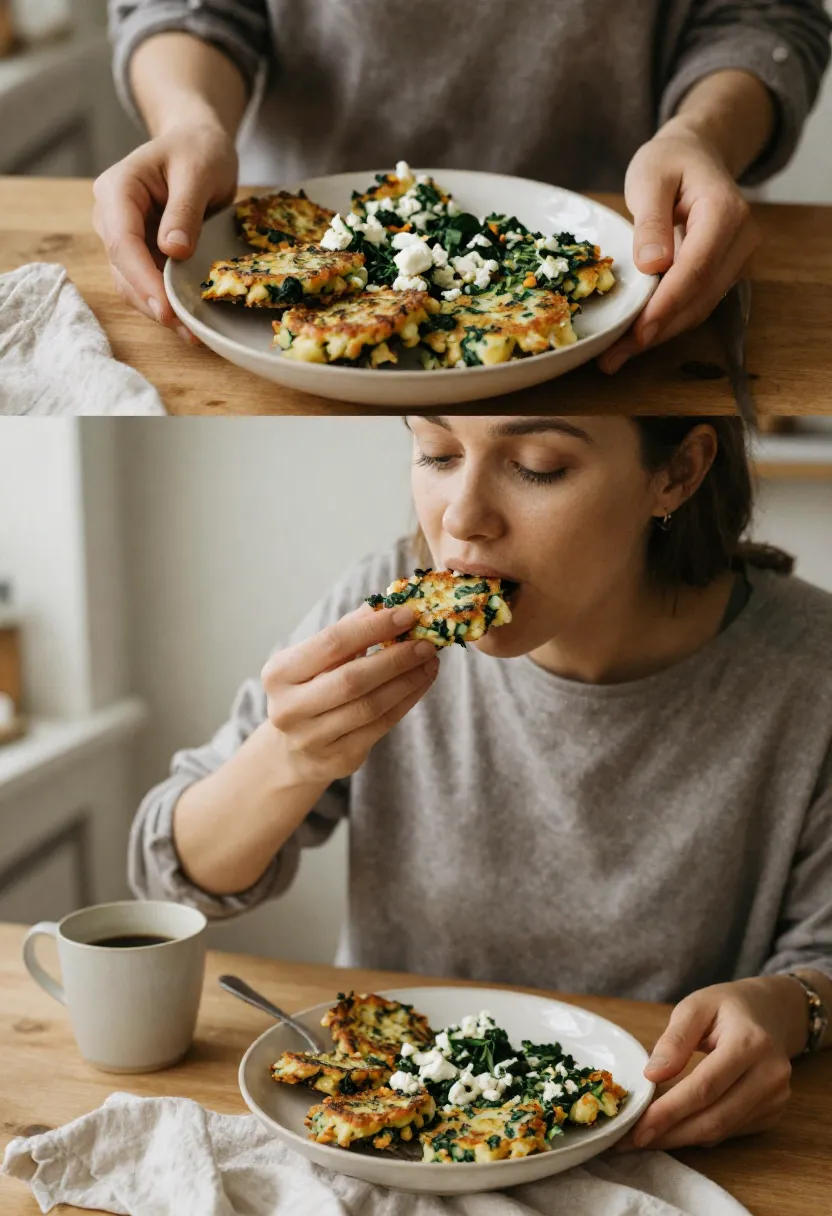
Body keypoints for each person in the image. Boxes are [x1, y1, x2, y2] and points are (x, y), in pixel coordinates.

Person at [130, 414, 832, 1151]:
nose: (462, 519)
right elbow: (169, 876)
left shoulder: (809, 670)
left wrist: (789, 1009)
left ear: (678, 471)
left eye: (536, 465)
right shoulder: (383, 611)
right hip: (388, 1147)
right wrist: (286, 756)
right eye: (436, 453)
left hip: (665, 1143)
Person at [97, 3, 831, 369]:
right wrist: (190, 121)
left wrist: (699, 135)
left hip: (641, 239)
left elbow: (761, 14)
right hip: (294, 209)